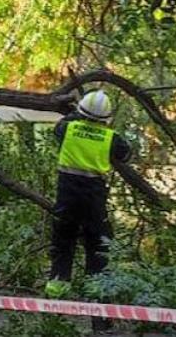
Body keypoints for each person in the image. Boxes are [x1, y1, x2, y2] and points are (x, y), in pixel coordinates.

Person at [46, 89, 132, 298]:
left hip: (66, 197)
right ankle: (95, 296)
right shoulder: (111, 138)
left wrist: (76, 113)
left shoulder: (67, 129)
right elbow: (127, 153)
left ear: (80, 111)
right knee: (97, 247)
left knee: (63, 245)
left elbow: (60, 126)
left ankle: (56, 295)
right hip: (93, 199)